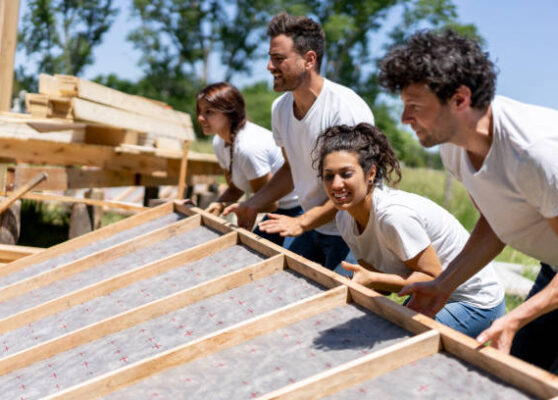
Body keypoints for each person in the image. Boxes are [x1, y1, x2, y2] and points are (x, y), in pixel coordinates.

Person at [378, 28, 558, 372]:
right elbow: (495, 224)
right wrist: (444, 285)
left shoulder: (536, 153)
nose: (404, 119)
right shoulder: (454, 147)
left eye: (414, 106)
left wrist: (517, 316)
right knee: (515, 375)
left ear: (460, 99)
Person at [314, 122, 505, 337]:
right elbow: (377, 280)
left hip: (472, 300)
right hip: (428, 294)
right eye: (329, 176)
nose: (336, 184)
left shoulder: (393, 216)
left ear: (370, 173)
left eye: (346, 174)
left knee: (401, 342)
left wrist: (373, 281)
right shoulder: (344, 218)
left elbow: (431, 278)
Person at [223, 13, 375, 274]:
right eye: (270, 58)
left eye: (278, 59)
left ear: (309, 60)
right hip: (311, 225)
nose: (270, 66)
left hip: (352, 231)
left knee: (336, 310)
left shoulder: (345, 110)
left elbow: (357, 188)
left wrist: (302, 222)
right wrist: (252, 204)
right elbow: (291, 169)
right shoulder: (280, 108)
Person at [196, 82, 301, 246]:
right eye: (200, 111)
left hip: (297, 209)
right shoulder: (220, 142)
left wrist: (229, 206)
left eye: (209, 112)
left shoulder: (248, 147)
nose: (200, 118)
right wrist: (216, 205)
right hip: (277, 209)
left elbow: (270, 202)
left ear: (229, 112)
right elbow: (235, 188)